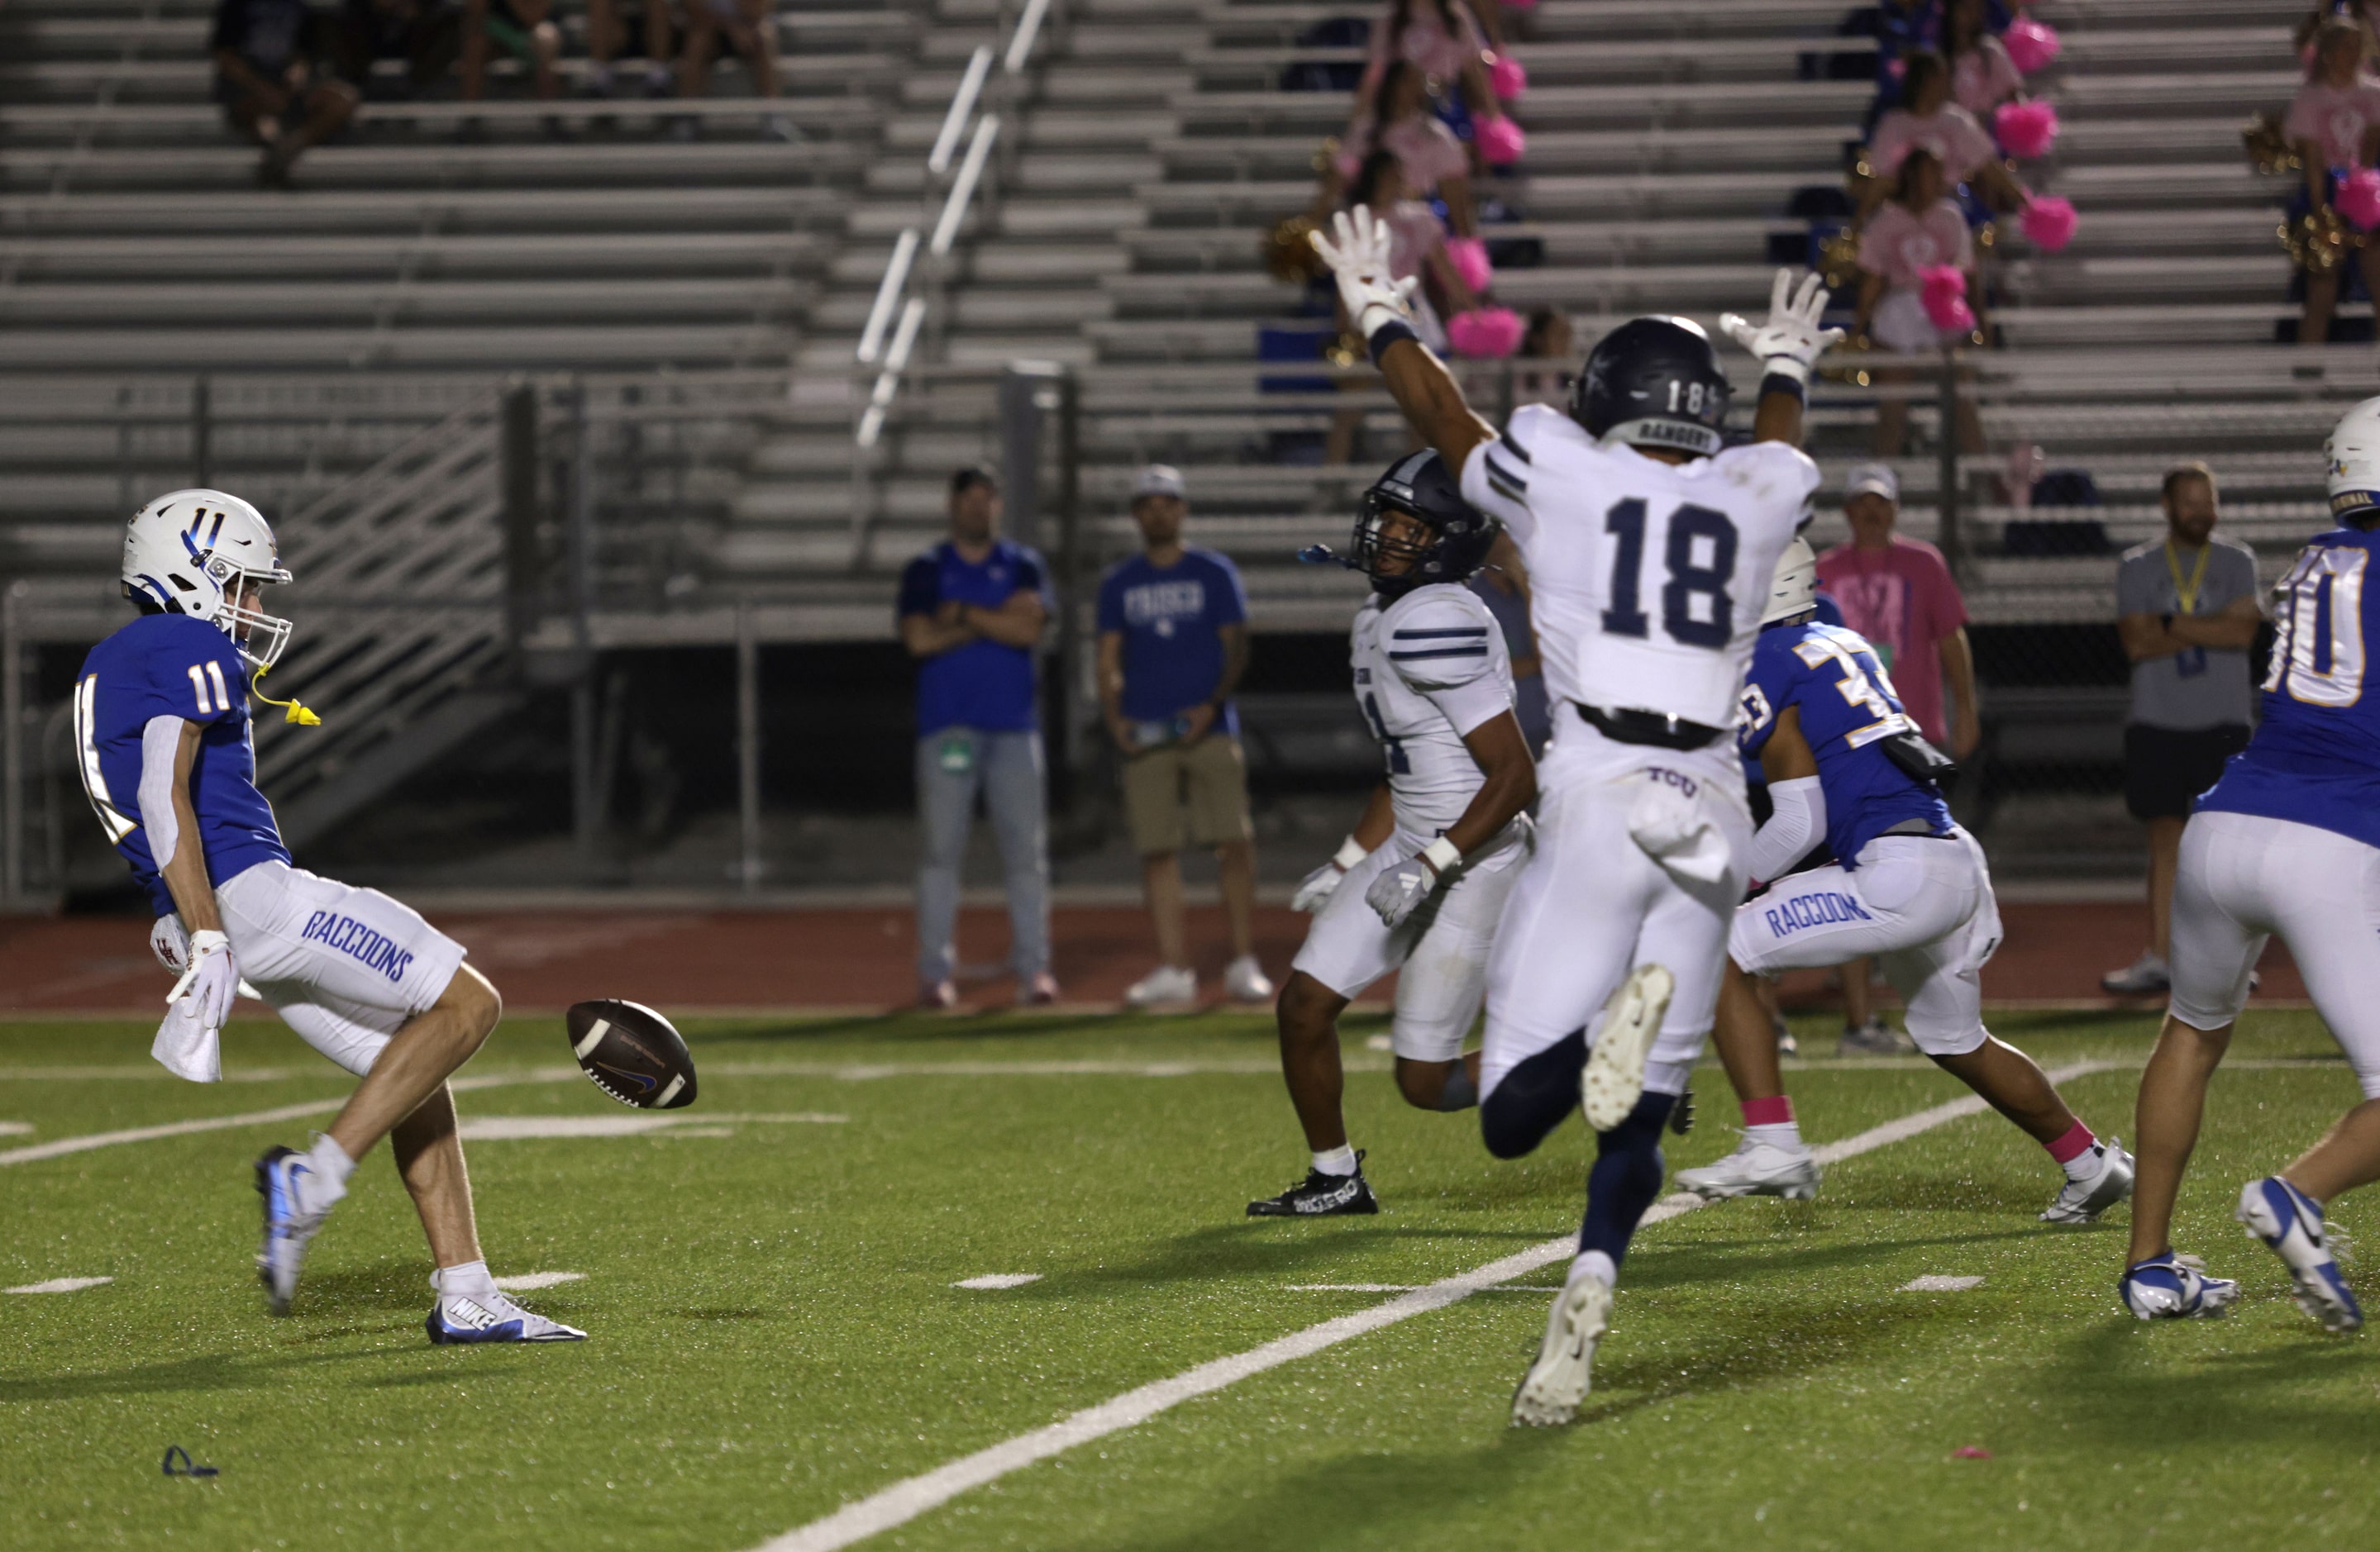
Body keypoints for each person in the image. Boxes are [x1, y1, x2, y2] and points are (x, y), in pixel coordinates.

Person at [1314, 203, 1837, 1425]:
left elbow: (1443, 421)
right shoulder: (1756, 490)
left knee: (1508, 1119)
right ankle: (1582, 1306)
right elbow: (1773, 452)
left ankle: (1596, 1026)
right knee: (1639, 1114)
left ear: (1604, 398)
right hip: (1706, 801)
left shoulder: (1559, 461)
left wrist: (1380, 308)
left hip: (1599, 785)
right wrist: (1783, 368)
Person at [74, 488, 579, 1341]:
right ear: (192, 576)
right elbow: (163, 798)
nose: (256, 607)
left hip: (220, 910)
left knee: (412, 1068)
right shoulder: (189, 642)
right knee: (470, 1004)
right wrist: (204, 927)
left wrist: (180, 917)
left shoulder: (113, 660)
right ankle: (312, 1181)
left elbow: (133, 802)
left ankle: (466, 1292)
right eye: (242, 586)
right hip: (251, 897)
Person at [1677, 540, 2135, 1221]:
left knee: (1719, 948)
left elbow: (1799, 821)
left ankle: (1772, 1141)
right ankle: (2086, 1162)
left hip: (1897, 874)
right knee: (1957, 1040)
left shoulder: (1767, 662)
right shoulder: (1840, 638)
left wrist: (1725, 883)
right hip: (1951, 857)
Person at [2117, 398, 2380, 1332]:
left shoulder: (2313, 560)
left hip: (2222, 823)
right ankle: (2293, 1195)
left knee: (2189, 1032)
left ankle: (2148, 1265)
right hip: (2328, 841)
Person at [1248, 452, 1533, 1215]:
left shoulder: (1434, 619)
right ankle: (1335, 1176)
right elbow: (1407, 768)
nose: (1385, 537)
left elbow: (1512, 777)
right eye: (1389, 520)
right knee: (1303, 1006)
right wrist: (1348, 858)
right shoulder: (1384, 618)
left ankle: (1598, 1054)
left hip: (1474, 859)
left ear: (1448, 543)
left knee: (1425, 1084)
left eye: (1410, 528)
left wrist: (1434, 862)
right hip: (1416, 845)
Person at [1815, 461, 1980, 1050]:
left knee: (1921, 866)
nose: (1870, 512)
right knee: (1853, 865)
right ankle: (1863, 1013)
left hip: (1912, 736)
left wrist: (1966, 707)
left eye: (1879, 502)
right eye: (1861, 501)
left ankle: (1921, 1002)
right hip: (1845, 738)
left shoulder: (1921, 563)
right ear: (1847, 509)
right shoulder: (1824, 570)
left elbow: (1949, 637)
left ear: (1893, 508)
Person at [1097, 466, 1273, 1009]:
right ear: (1135, 515)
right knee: (1157, 849)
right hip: (1149, 730)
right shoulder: (1120, 583)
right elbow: (1106, 657)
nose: (1158, 512)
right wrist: (1114, 719)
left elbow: (1236, 646)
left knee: (1234, 844)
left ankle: (1242, 959)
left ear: (1182, 509)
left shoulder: (1212, 573)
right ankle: (1174, 966)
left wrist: (1211, 706)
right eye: (1147, 504)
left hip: (1210, 728)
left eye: (1166, 503)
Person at [898, 469, 1057, 1010]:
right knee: (941, 852)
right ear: (952, 505)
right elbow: (918, 639)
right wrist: (992, 619)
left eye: (987, 500)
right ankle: (933, 971)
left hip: (1013, 727)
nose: (978, 509)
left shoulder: (1022, 563)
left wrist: (963, 616)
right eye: (969, 499)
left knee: (1026, 855)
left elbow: (1030, 629)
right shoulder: (926, 567)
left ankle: (1035, 969)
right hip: (948, 725)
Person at [2101, 464, 2262, 997]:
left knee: (2226, 851)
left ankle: (2227, 961)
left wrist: (2167, 623)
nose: (2200, 511)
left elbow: (2242, 633)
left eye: (2207, 500)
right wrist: (2209, 625)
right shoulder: (2138, 565)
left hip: (2224, 722)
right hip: (2159, 720)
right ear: (2167, 506)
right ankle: (2163, 958)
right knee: (2165, 844)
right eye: (2189, 502)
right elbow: (2135, 643)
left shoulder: (2238, 560)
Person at [1850, 149, 1989, 458]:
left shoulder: (1950, 217)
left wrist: (1981, 324)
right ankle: (1880, 482)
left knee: (1963, 400)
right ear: (1913, 176)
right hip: (1898, 314)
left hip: (1943, 311)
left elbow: (1968, 272)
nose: (1938, 179)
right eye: (1931, 171)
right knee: (1892, 408)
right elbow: (1873, 278)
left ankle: (1982, 479)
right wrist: (1859, 330)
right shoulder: (1886, 220)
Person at [2285, 19, 2380, 348]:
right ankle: (2307, 381)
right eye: (2344, 47)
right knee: (2322, 292)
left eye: (2356, 47)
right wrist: (2321, 213)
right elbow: (2311, 160)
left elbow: (2371, 144)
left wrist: (2362, 193)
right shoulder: (2311, 98)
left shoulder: (2372, 92)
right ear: (2327, 53)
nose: (2351, 54)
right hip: (2326, 189)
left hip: (2367, 190)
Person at [1859, 51, 2029, 224]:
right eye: (1937, 79)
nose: (1945, 85)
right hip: (1906, 211)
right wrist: (1860, 220)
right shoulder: (1894, 124)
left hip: (1950, 204)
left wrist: (2021, 199)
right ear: (1921, 82)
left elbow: (1986, 164)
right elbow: (1881, 179)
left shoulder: (1956, 121)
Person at [212, 0, 357, 187]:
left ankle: (288, 147)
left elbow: (306, 55)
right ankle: (275, 151)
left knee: (341, 101)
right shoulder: (236, 7)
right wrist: (263, 89)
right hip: (250, 89)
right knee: (263, 123)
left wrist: (298, 73)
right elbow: (226, 58)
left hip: (288, 88)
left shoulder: (300, 8)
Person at [1469, 529, 1549, 755]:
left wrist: (1527, 588)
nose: (1511, 546)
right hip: (1506, 730)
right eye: (1502, 534)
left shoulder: (1529, 594)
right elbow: (1481, 669)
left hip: (1545, 721)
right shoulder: (1473, 598)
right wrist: (1535, 664)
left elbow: (1548, 653)